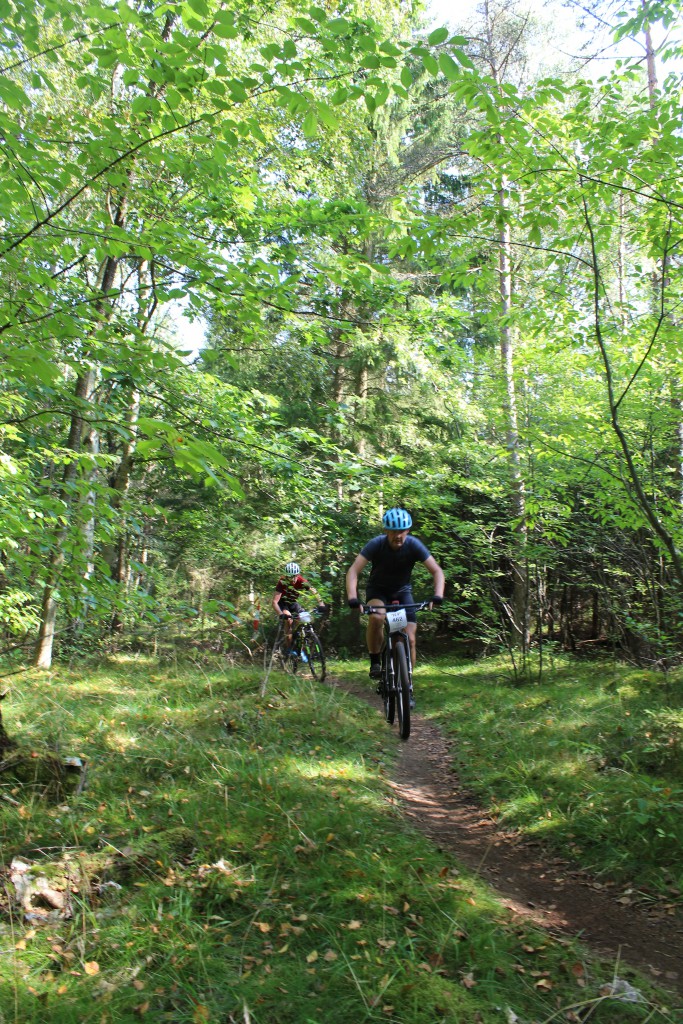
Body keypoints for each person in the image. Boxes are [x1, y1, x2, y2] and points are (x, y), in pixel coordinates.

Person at [345, 508, 445, 702]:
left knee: (410, 638)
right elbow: (353, 571)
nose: (398, 536)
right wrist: (352, 598)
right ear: (386, 531)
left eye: (402, 531)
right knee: (377, 617)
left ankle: (408, 687)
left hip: (402, 592)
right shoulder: (376, 545)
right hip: (378, 591)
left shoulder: (414, 545)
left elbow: (437, 571)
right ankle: (375, 660)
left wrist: (437, 596)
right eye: (393, 531)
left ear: (407, 531)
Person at [272, 562, 326, 650]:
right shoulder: (282, 582)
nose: (292, 579)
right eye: (289, 576)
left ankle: (297, 638)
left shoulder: (301, 580)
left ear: (297, 575)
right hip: (282, 603)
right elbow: (274, 602)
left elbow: (313, 591)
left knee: (304, 618)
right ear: (286, 576)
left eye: (294, 576)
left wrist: (321, 603)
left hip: (293, 602)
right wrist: (280, 614)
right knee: (289, 620)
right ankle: (289, 648)